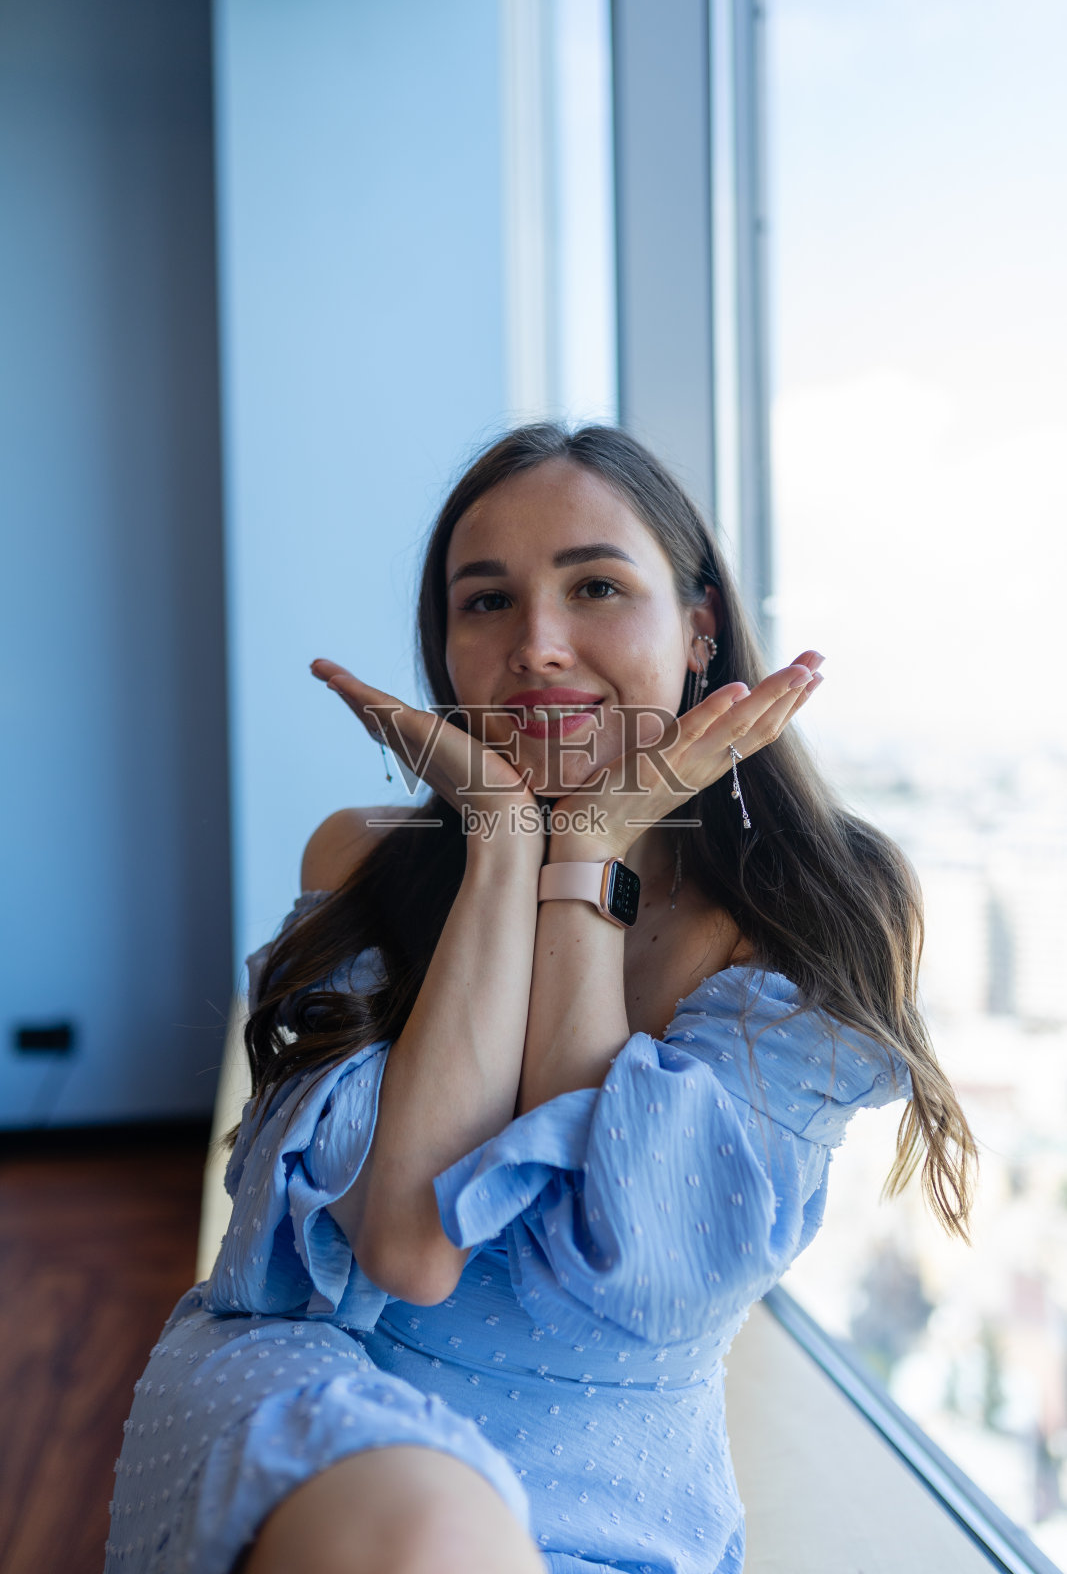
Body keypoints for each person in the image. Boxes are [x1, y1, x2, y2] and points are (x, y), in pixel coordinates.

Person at [105, 423, 976, 1574]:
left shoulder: (816, 906)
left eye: (595, 586)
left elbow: (619, 1275)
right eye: (486, 601)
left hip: (618, 1487)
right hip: (325, 1409)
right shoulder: (362, 857)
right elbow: (407, 1250)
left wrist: (589, 850)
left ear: (699, 625)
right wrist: (506, 842)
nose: (538, 645)